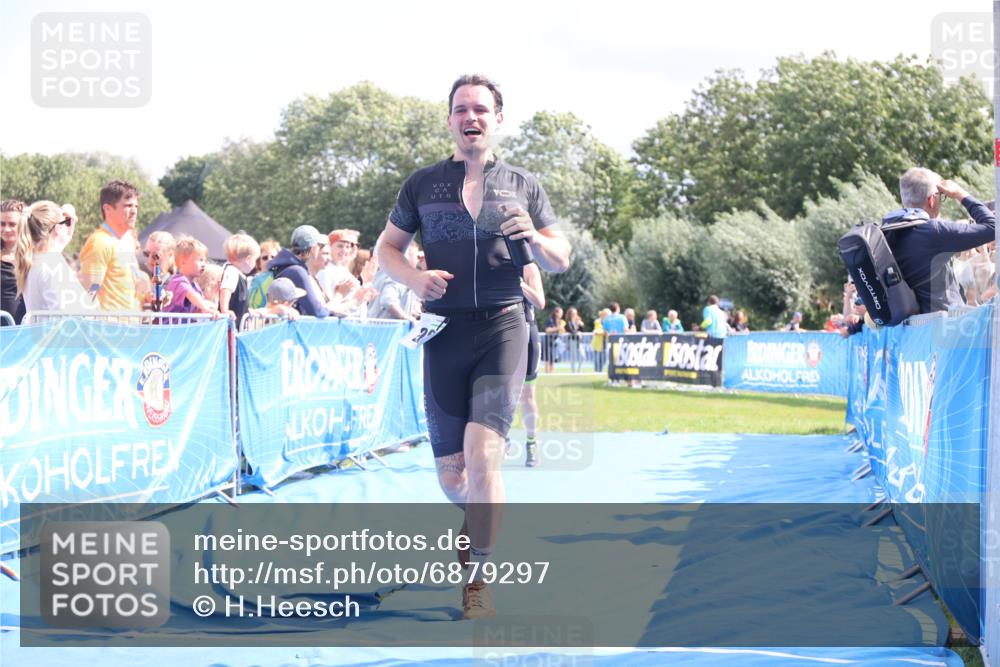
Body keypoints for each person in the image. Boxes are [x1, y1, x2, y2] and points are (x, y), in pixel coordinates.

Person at [375, 73, 570, 619]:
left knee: (484, 461)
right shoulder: (422, 185)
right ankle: (484, 516)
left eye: (481, 109)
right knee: (453, 477)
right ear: (449, 121)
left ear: (497, 119)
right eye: (461, 109)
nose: (471, 118)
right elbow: (387, 249)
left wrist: (536, 239)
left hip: (503, 329)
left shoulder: (524, 185)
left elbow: (562, 257)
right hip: (443, 333)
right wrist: (415, 280)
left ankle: (478, 579)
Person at [883, 167, 995, 314]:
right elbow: (993, 227)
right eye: (941, 196)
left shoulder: (889, 231)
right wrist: (960, 194)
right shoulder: (933, 231)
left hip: (908, 325)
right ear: (931, 200)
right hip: (942, 324)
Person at [14, 201, 93, 314]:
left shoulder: (34, 260)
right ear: (58, 228)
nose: (67, 226)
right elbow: (72, 316)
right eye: (65, 223)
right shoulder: (52, 265)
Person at [79, 180, 142, 312]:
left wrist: (148, 297)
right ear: (107, 209)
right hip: (107, 324)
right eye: (128, 205)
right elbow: (89, 292)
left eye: (136, 206)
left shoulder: (129, 240)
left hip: (131, 323)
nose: (134, 211)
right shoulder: (99, 242)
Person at [267, 225, 333, 318]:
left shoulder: (282, 267)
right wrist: (334, 310)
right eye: (319, 246)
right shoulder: (298, 272)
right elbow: (317, 311)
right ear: (313, 249)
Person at [516, 263, 545, 466]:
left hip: (526, 333)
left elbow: (540, 302)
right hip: (499, 333)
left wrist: (520, 285)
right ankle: (501, 439)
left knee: (527, 396)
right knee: (496, 393)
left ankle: (531, 442)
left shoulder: (528, 268)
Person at [163, 237, 219, 318]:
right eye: (200, 260)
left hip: (186, 325)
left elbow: (197, 308)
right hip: (171, 325)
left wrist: (210, 308)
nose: (204, 264)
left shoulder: (195, 285)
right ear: (183, 262)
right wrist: (206, 309)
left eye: (204, 261)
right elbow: (191, 295)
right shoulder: (178, 281)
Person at [368, 243, 420, 321]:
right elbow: (387, 300)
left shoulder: (388, 272)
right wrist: (405, 317)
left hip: (377, 325)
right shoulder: (396, 276)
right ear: (406, 256)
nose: (417, 260)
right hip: (385, 328)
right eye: (416, 256)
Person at [219, 232, 261, 325]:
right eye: (255, 260)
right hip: (229, 327)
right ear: (248, 259)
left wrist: (247, 310)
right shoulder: (232, 271)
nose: (255, 264)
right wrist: (225, 310)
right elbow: (226, 289)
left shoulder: (240, 275)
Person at [1, 199, 26, 324]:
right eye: (2, 224)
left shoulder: (31, 256)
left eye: (12, 224)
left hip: (24, 328)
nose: (6, 229)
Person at [543, 305, 566, 374]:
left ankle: (551, 373)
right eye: (560, 313)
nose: (561, 314)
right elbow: (547, 330)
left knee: (552, 359)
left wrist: (562, 329)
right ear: (556, 313)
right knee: (548, 359)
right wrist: (557, 328)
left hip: (555, 343)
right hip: (548, 342)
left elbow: (562, 332)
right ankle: (547, 374)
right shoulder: (550, 320)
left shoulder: (560, 322)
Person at [591, 308, 610, 372]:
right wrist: (603, 332)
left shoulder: (608, 322)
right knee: (597, 359)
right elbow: (597, 330)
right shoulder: (597, 321)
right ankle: (597, 371)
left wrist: (603, 332)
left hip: (604, 343)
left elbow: (606, 332)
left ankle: (599, 370)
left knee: (603, 359)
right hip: (597, 343)